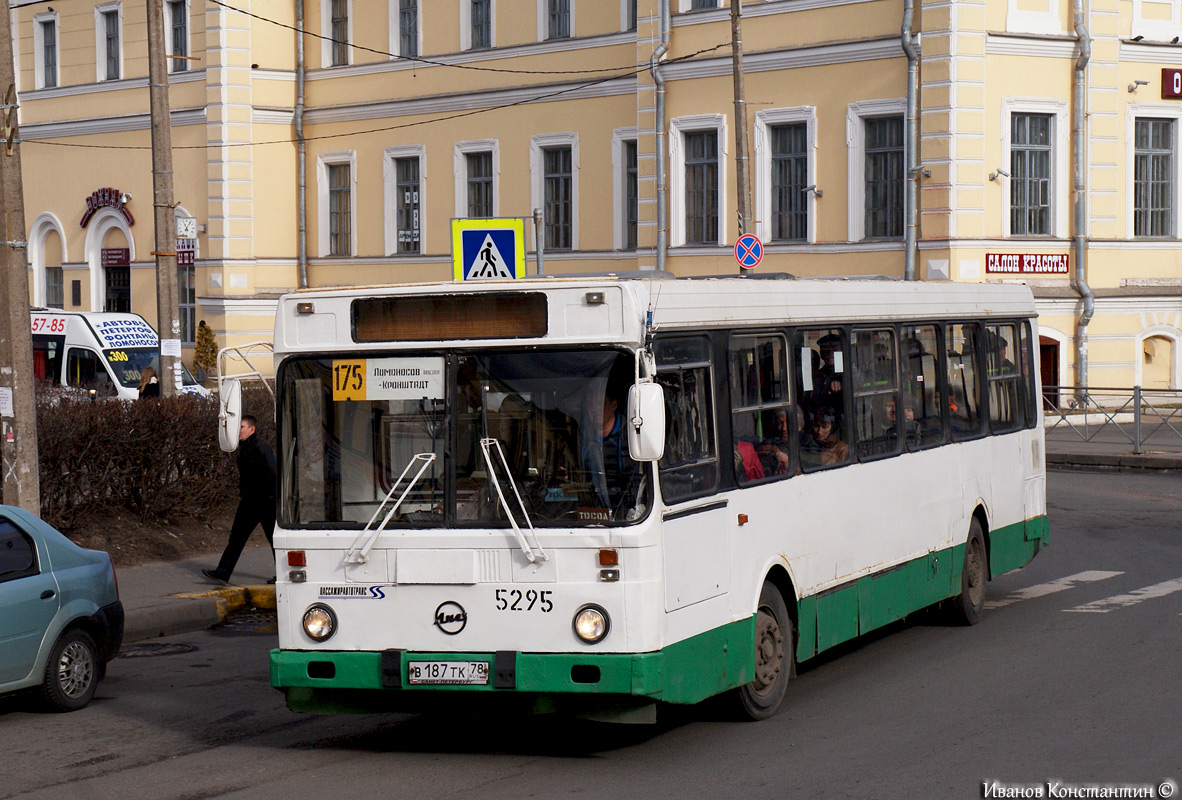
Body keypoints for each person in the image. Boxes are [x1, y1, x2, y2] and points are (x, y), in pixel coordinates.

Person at [203, 415, 277, 585]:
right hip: (250, 501)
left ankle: (284, 575)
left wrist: (266, 496)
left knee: (274, 540)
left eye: (242, 427)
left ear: (252, 429)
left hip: (265, 502)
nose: (239, 431)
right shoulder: (244, 448)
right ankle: (222, 573)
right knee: (236, 537)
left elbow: (271, 474)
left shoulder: (261, 447)